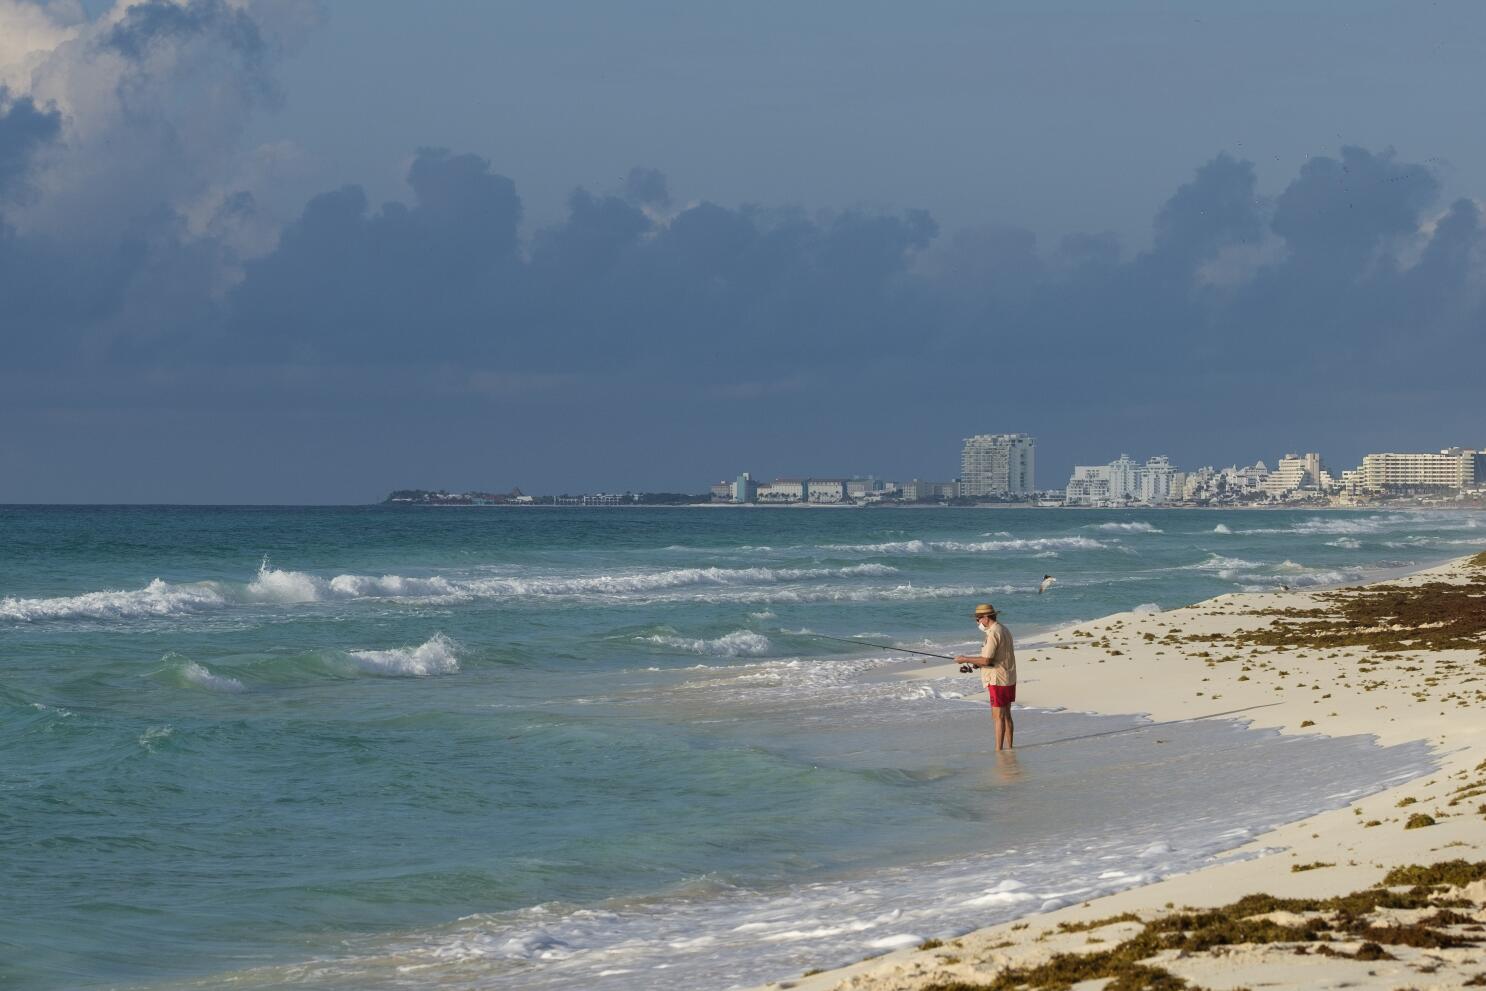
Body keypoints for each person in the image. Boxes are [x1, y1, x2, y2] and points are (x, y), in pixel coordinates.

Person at [955, 602, 1017, 750]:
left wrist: (965, 659)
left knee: (998, 717)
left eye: (978, 618)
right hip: (1009, 677)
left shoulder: (993, 633)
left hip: (997, 679)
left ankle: (998, 751)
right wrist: (976, 665)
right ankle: (1010, 748)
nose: (977, 622)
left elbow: (987, 659)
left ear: (986, 618)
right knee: (1007, 715)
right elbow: (997, 657)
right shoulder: (1003, 629)